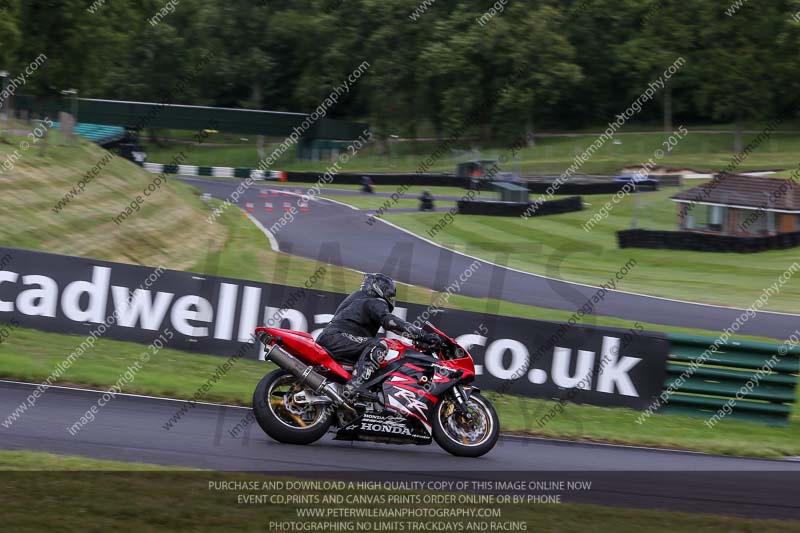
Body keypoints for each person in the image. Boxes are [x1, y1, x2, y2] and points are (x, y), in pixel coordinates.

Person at [316, 273, 439, 405]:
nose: (390, 297)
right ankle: (354, 387)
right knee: (380, 344)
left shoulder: (357, 298)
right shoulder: (373, 300)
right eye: (389, 293)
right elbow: (390, 322)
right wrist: (423, 335)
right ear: (378, 288)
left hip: (335, 339)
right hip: (337, 338)